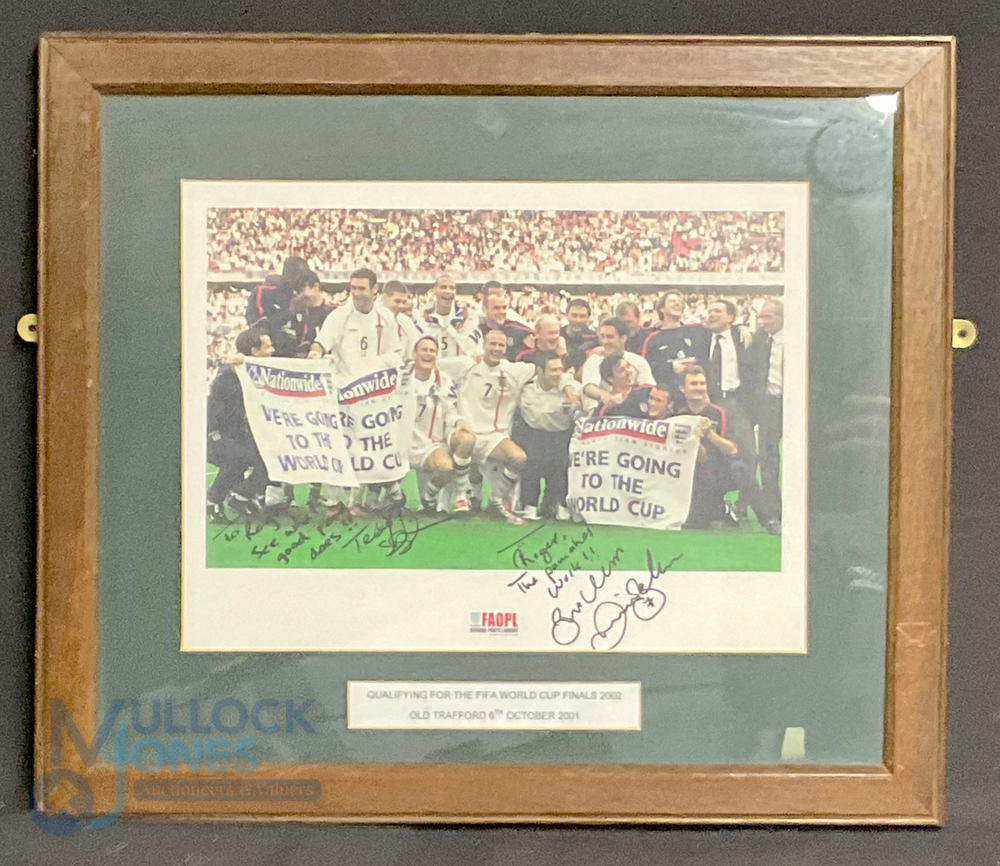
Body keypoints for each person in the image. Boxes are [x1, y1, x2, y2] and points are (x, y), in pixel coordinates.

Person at [675, 365, 778, 533]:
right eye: (693, 384)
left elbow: (732, 450)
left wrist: (709, 434)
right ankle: (722, 510)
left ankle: (768, 520)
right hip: (695, 478)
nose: (699, 388)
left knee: (740, 469)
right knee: (696, 524)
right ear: (682, 388)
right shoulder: (679, 417)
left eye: (702, 383)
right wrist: (695, 440)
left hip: (720, 471)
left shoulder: (719, 413)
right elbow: (696, 457)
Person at [453, 329, 537, 524]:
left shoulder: (513, 370)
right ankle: (461, 497)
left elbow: (541, 368)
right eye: (492, 344)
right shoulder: (466, 365)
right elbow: (436, 366)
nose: (496, 349)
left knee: (518, 458)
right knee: (467, 442)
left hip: (495, 436)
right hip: (466, 431)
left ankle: (496, 498)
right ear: (483, 345)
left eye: (501, 345)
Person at [206, 327, 274, 520]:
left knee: (270, 459)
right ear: (254, 351)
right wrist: (213, 434)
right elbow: (215, 407)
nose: (272, 350)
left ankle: (242, 495)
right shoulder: (229, 374)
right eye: (268, 346)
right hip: (219, 432)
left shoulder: (260, 372)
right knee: (236, 460)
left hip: (239, 432)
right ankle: (216, 498)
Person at [704, 298, 759, 515]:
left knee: (746, 452)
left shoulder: (743, 337)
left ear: (730, 317)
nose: (711, 315)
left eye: (717, 311)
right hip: (710, 402)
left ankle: (743, 504)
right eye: (709, 311)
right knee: (709, 452)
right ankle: (710, 505)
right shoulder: (701, 338)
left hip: (736, 402)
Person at [408, 336, 476, 513]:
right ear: (414, 354)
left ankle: (429, 498)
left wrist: (458, 421)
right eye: (424, 349)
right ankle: (372, 500)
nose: (428, 354)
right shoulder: (399, 378)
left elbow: (450, 409)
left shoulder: (443, 380)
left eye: (432, 351)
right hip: (400, 444)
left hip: (428, 445)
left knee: (446, 466)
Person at [511, 350, 580, 520]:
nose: (558, 374)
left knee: (562, 461)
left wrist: (567, 385)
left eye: (560, 370)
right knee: (533, 456)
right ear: (540, 371)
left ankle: (558, 503)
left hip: (562, 435)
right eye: (553, 370)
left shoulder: (572, 387)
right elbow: (537, 418)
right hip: (535, 434)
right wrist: (564, 402)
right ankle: (529, 503)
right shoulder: (526, 389)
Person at [308, 267, 402, 379]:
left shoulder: (386, 317)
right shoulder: (340, 315)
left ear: (374, 289)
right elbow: (320, 344)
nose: (356, 293)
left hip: (375, 387)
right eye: (353, 288)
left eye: (361, 289)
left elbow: (393, 353)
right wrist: (315, 353)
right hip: (345, 387)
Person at [746, 298, 785, 522]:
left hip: (795, 403)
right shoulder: (760, 340)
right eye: (761, 317)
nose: (763, 322)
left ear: (782, 317)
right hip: (769, 404)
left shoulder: (798, 338)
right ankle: (773, 511)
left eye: (768, 317)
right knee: (768, 457)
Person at [628, 290, 709, 390]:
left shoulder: (697, 331)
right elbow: (645, 368)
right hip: (668, 394)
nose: (677, 303)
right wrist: (670, 367)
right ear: (662, 308)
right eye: (672, 301)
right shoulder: (652, 338)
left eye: (679, 301)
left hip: (695, 391)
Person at [245, 255, 314, 356]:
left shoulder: (298, 298)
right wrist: (291, 310)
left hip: (292, 357)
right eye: (302, 278)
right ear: (292, 275)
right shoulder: (264, 292)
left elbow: (303, 333)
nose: (304, 283)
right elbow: (258, 325)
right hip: (266, 355)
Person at [580, 317, 654, 411]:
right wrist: (605, 395)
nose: (605, 341)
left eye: (610, 337)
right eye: (602, 336)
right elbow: (588, 388)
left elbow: (648, 386)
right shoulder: (595, 359)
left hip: (632, 411)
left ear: (623, 338)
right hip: (599, 412)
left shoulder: (638, 361)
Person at [416, 273, 482, 374]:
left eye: (452, 288)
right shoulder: (420, 317)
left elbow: (474, 352)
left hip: (460, 375)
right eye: (443, 287)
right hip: (431, 374)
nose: (448, 291)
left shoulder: (469, 316)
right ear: (433, 291)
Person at [478, 290, 533, 362]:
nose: (502, 312)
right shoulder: (475, 328)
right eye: (496, 308)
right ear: (485, 309)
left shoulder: (516, 329)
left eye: (504, 308)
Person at [382, 279, 421, 360]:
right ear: (384, 297)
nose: (401, 306)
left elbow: (413, 353)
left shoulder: (406, 322)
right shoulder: (369, 317)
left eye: (404, 302)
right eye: (397, 301)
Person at [561, 297, 598, 371]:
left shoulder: (594, 338)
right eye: (574, 315)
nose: (578, 320)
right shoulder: (557, 335)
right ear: (566, 315)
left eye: (582, 316)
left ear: (588, 318)